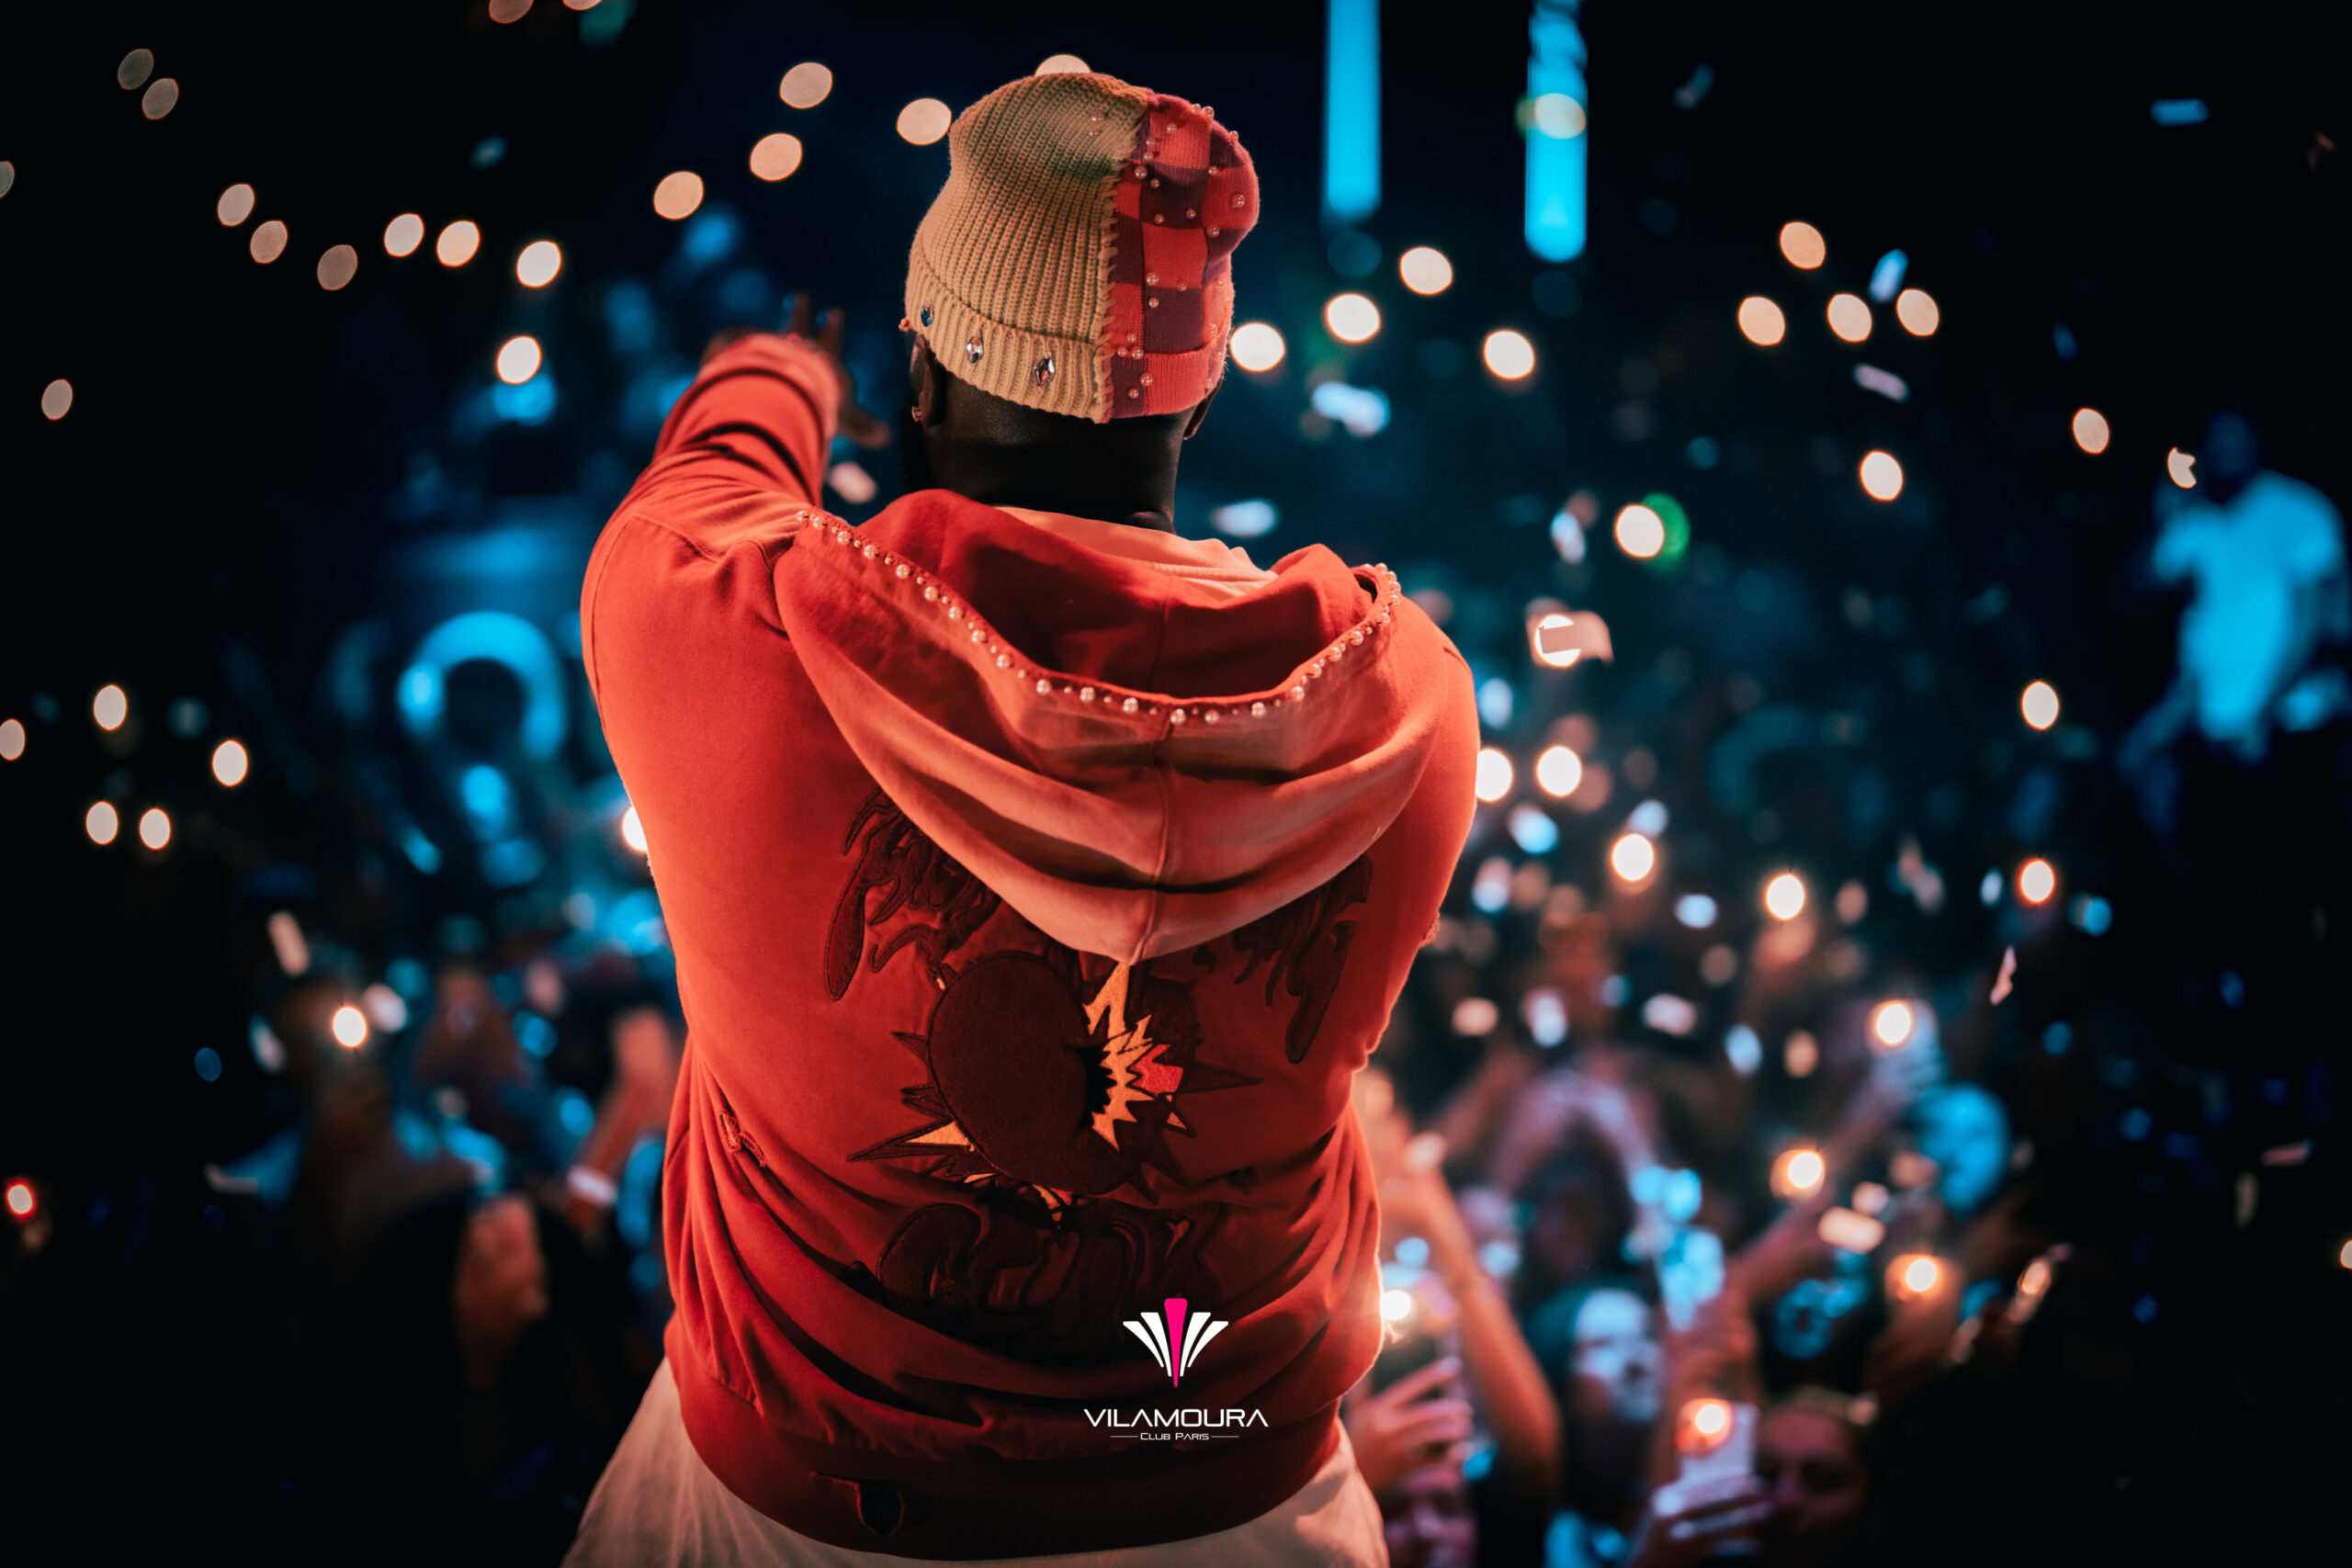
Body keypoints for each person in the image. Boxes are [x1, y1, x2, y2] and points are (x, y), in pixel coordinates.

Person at [566, 70, 1478, 1565]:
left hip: (800, 1518)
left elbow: (711, 478)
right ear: (1198, 392)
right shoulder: (1406, 715)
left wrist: (779, 370)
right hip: (1239, 1503)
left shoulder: (722, 633)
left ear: (924, 379)